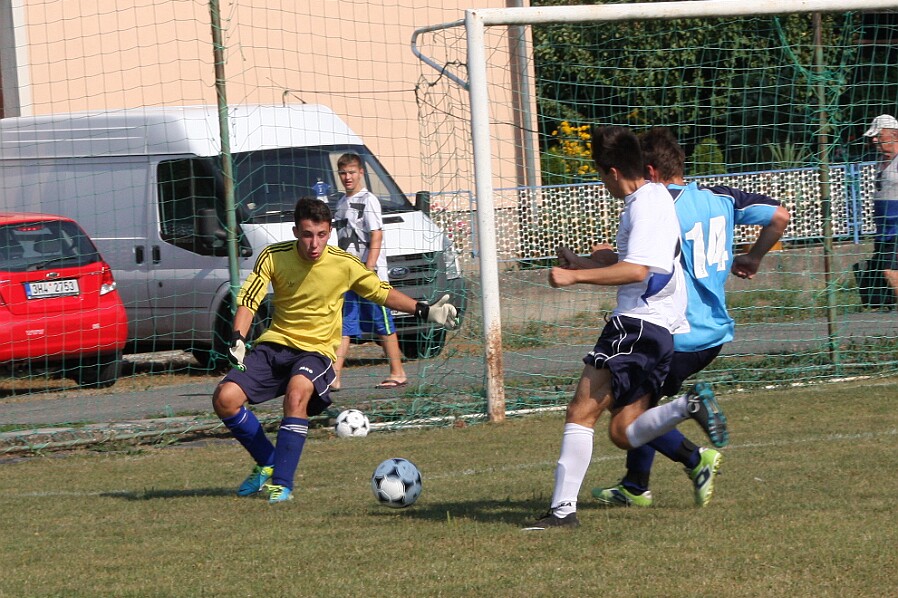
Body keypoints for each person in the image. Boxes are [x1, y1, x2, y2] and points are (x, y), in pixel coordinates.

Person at [524, 125, 727, 531]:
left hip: (637, 325)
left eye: (601, 175)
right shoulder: (651, 197)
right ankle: (688, 408)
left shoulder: (643, 205)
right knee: (624, 429)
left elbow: (638, 270)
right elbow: (632, 262)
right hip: (658, 330)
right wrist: (581, 262)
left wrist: (573, 280)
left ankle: (563, 512)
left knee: (581, 411)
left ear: (613, 172)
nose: (602, 183)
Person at [585, 127, 790, 508]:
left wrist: (595, 262)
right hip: (713, 331)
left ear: (650, 171)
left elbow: (641, 266)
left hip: (674, 329)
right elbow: (779, 215)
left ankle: (696, 460)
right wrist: (753, 257)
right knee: (641, 403)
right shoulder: (720, 198)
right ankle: (635, 485)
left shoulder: (659, 205)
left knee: (626, 418)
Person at [212, 197, 458, 504]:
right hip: (275, 345)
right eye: (306, 234)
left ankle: (282, 484)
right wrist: (238, 336)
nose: (314, 243)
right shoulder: (273, 257)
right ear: (294, 231)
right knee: (225, 399)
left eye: (321, 235)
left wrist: (424, 310)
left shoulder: (343, 264)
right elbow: (249, 299)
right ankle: (267, 459)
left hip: (316, 352)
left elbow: (380, 292)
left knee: (297, 392)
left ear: (329, 232)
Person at [331, 153, 408, 391]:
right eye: (343, 173)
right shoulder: (341, 203)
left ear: (361, 173)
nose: (347, 177)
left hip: (369, 277)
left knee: (382, 323)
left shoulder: (369, 200)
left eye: (352, 172)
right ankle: (334, 377)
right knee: (344, 325)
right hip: (349, 278)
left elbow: (376, 234)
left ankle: (398, 372)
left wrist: (369, 268)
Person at [863, 114, 898, 300]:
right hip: (885, 230)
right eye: (873, 136)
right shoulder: (881, 163)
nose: (875, 140)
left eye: (879, 135)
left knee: (890, 271)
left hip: (896, 227)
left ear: (894, 135)